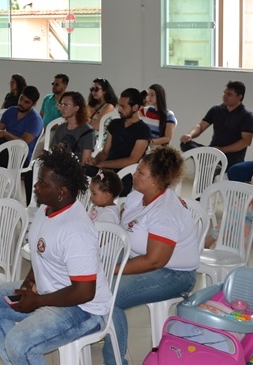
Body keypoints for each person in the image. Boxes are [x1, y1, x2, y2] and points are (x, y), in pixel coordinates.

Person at [0, 146, 112, 365]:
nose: (36, 186)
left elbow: (85, 292)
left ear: (62, 191)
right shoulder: (46, 210)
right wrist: (29, 282)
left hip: (84, 310)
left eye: (43, 183)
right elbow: (43, 254)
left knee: (18, 342)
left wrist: (38, 301)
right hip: (51, 291)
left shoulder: (76, 229)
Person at [110, 146, 200, 365]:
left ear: (156, 180)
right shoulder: (136, 196)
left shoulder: (165, 211)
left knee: (110, 296)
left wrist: (113, 269)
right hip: (140, 257)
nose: (135, 174)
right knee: (89, 272)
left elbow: (155, 260)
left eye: (141, 172)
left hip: (174, 274)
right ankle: (100, 327)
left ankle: (115, 360)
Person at [179, 80, 253, 170]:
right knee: (185, 144)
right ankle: (211, 163)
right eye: (224, 93)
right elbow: (200, 126)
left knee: (231, 165)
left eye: (229, 94)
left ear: (239, 97)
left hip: (232, 156)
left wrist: (222, 150)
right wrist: (190, 134)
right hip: (213, 151)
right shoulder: (216, 110)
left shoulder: (247, 115)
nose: (224, 96)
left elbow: (245, 142)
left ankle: (213, 165)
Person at [92, 88, 152, 195]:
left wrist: (103, 164)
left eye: (123, 106)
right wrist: (95, 161)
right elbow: (105, 152)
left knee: (101, 189)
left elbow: (132, 160)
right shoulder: (115, 123)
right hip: (107, 170)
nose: (119, 109)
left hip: (126, 174)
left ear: (135, 107)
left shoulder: (143, 130)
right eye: (119, 105)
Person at [50, 91, 96, 165]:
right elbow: (53, 152)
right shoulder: (60, 128)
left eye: (65, 105)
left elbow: (84, 163)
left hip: (75, 170)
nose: (62, 108)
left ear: (76, 108)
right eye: (61, 104)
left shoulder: (87, 131)